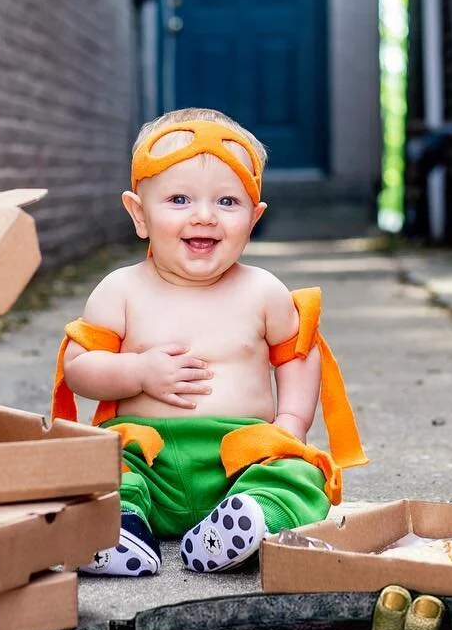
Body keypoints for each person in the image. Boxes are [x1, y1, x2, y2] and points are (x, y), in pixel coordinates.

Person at [50, 108, 366, 575]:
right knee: (97, 467)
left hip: (241, 457)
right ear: (139, 214)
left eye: (227, 201)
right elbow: (78, 367)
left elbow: (298, 356)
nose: (204, 216)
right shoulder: (120, 291)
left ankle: (249, 520)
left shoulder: (263, 291)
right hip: (146, 457)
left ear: (254, 218)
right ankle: (119, 527)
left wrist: (291, 424)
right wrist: (136, 372)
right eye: (179, 199)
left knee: (300, 475)